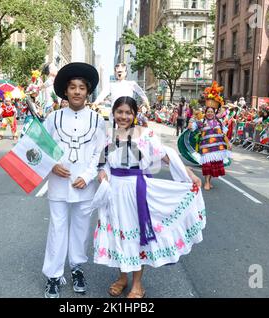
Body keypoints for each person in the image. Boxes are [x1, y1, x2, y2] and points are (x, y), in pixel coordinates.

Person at [94, 96, 205, 298]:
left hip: (137, 190)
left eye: (128, 112)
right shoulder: (108, 136)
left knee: (137, 237)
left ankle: (137, 284)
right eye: (120, 112)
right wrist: (102, 172)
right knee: (118, 234)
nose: (123, 116)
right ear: (114, 113)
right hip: (114, 192)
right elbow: (103, 162)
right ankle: (122, 278)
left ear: (135, 115)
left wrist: (188, 173)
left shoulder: (145, 135)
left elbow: (165, 155)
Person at [41, 62, 106, 298]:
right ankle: (53, 275)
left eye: (81, 87)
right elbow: (40, 148)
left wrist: (88, 177)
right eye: (72, 87)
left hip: (84, 185)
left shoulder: (98, 121)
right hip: (58, 183)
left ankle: (77, 267)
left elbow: (100, 153)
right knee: (57, 228)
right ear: (65, 91)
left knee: (80, 229)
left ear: (88, 92)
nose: (77, 91)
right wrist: (52, 164)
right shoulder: (53, 118)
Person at [191, 82, 232, 191]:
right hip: (206, 149)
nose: (209, 113)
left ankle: (209, 181)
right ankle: (207, 182)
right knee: (207, 166)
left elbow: (224, 135)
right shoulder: (201, 122)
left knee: (214, 166)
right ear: (205, 112)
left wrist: (228, 143)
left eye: (211, 112)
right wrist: (192, 121)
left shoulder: (219, 122)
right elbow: (191, 128)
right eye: (208, 112)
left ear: (214, 113)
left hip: (217, 149)